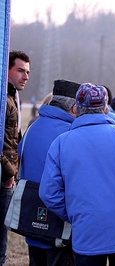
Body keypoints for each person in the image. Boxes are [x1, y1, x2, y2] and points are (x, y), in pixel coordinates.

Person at [39, 83, 115, 266]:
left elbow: (49, 192)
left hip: (86, 231)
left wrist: (73, 214)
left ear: (77, 107)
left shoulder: (61, 143)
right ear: (106, 107)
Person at [18, 79, 80, 266]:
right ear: (74, 107)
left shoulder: (32, 127)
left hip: (31, 220)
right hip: (59, 225)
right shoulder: (70, 133)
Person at [0, 50, 30, 265]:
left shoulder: (13, 96)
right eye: (20, 70)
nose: (26, 77)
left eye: (27, 72)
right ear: (6, 69)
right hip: (4, 176)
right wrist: (9, 172)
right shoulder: (3, 97)